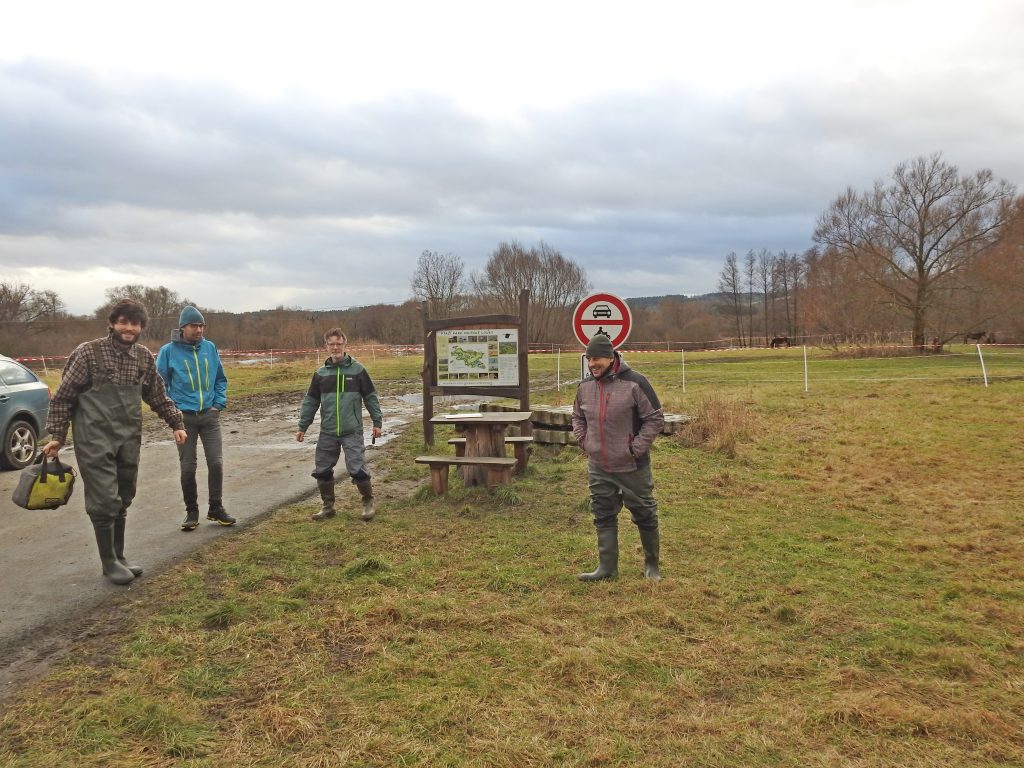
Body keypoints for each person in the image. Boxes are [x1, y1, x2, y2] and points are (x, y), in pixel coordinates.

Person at [41, 299, 187, 585]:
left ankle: (119, 556)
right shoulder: (88, 354)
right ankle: (108, 563)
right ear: (112, 323)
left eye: (134, 323)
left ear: (141, 327)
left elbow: (157, 394)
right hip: (93, 439)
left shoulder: (143, 357)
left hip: (127, 437)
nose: (128, 328)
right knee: (105, 499)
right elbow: (63, 397)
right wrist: (57, 436)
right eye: (123, 322)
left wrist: (176, 423)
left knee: (123, 495)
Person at [572, 333, 665, 582]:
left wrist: (635, 448)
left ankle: (652, 566)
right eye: (589, 358)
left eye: (597, 358)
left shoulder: (636, 383)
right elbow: (577, 417)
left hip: (631, 465)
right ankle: (607, 568)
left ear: (611, 356)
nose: (592, 363)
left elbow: (655, 417)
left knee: (644, 512)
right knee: (602, 512)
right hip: (599, 466)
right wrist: (585, 442)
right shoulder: (584, 386)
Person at [156, 306, 234, 531]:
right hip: (183, 420)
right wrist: (173, 412)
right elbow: (158, 386)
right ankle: (192, 512)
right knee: (188, 467)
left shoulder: (209, 348)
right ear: (183, 328)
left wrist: (218, 404)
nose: (199, 330)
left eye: (201, 326)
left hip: (209, 417)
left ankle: (216, 508)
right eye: (194, 326)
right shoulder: (168, 351)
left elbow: (220, 378)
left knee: (216, 463)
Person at [296, 328, 382, 521]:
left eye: (338, 343)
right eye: (331, 344)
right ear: (326, 346)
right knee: (322, 470)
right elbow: (310, 402)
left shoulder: (358, 370)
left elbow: (370, 397)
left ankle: (367, 502)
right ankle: (328, 507)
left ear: (345, 345)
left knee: (357, 468)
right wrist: (303, 426)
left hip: (352, 430)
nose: (335, 347)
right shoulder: (320, 374)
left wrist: (377, 421)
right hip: (327, 432)